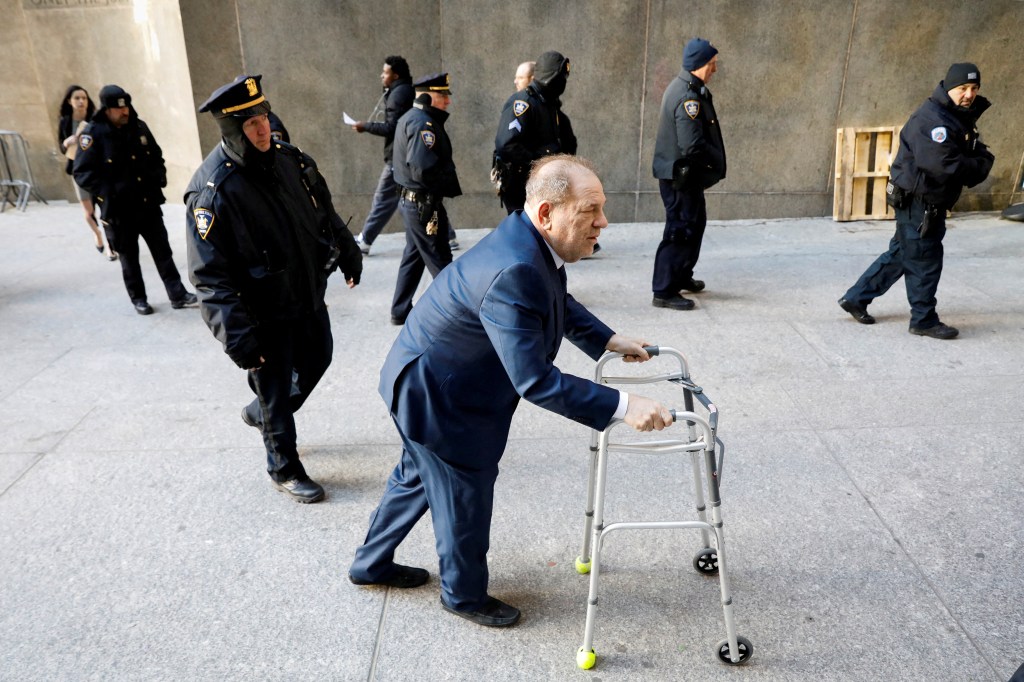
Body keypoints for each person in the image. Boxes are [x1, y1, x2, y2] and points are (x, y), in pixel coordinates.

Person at [348, 155, 674, 627]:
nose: (603, 222)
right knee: (464, 493)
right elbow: (536, 381)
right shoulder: (516, 267)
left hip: (425, 382)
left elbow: (555, 299)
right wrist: (625, 406)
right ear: (546, 213)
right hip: (439, 399)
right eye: (591, 210)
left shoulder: (530, 243)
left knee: (417, 476)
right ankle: (463, 596)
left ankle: (369, 563)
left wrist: (608, 339)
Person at [185, 75, 362, 503]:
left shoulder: (291, 160)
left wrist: (347, 248)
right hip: (262, 312)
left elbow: (323, 211)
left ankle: (262, 410)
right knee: (275, 387)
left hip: (305, 293)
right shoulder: (214, 192)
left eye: (263, 116)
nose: (263, 129)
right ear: (231, 130)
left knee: (319, 357)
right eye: (250, 124)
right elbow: (210, 278)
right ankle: (283, 465)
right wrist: (238, 339)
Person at [838, 63, 994, 340]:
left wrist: (975, 156)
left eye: (974, 88)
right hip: (920, 203)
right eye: (962, 88)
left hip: (922, 199)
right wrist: (982, 164)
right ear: (948, 87)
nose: (969, 94)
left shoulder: (952, 114)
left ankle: (856, 297)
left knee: (903, 253)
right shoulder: (933, 120)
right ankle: (923, 320)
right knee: (925, 260)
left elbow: (966, 149)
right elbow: (944, 165)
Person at [73, 85, 197, 315]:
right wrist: (107, 192)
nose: (125, 112)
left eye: (127, 106)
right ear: (107, 110)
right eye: (119, 109)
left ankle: (177, 294)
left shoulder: (139, 127)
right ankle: (138, 298)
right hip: (119, 210)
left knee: (163, 252)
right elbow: (81, 172)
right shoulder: (93, 134)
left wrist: (158, 179)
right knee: (129, 258)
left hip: (146, 203)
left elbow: (156, 156)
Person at [650, 37, 725, 311]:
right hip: (679, 179)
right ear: (699, 65)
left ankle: (681, 275)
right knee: (679, 230)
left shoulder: (690, 88)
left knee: (695, 225)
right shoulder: (687, 97)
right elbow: (691, 145)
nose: (715, 69)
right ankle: (664, 290)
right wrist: (714, 160)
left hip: (686, 178)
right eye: (712, 64)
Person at [388, 72, 461, 326]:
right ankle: (457, 314)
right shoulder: (423, 124)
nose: (447, 102)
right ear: (429, 96)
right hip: (423, 204)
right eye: (443, 96)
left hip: (413, 202)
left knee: (414, 255)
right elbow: (422, 168)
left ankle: (399, 309)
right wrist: (446, 183)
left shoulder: (412, 118)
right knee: (440, 258)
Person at [493, 51, 577, 215]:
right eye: (561, 78)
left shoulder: (548, 104)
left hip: (541, 183)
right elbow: (507, 145)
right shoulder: (524, 102)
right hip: (521, 184)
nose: (563, 83)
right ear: (551, 77)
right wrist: (540, 163)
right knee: (525, 234)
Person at [350, 56, 415, 256]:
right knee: (421, 195)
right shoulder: (404, 91)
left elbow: (391, 128)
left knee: (383, 199)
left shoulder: (397, 95)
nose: (381, 75)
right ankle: (448, 236)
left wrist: (365, 126)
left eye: (385, 72)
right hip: (407, 154)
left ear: (395, 75)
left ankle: (365, 240)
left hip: (398, 157)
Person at [57, 85, 116, 261]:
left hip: (98, 170)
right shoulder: (65, 121)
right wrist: (67, 142)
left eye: (84, 97)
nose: (81, 101)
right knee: (89, 212)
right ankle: (97, 234)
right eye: (77, 98)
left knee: (105, 210)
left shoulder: (95, 119)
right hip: (79, 171)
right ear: (70, 101)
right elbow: (61, 147)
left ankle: (110, 245)